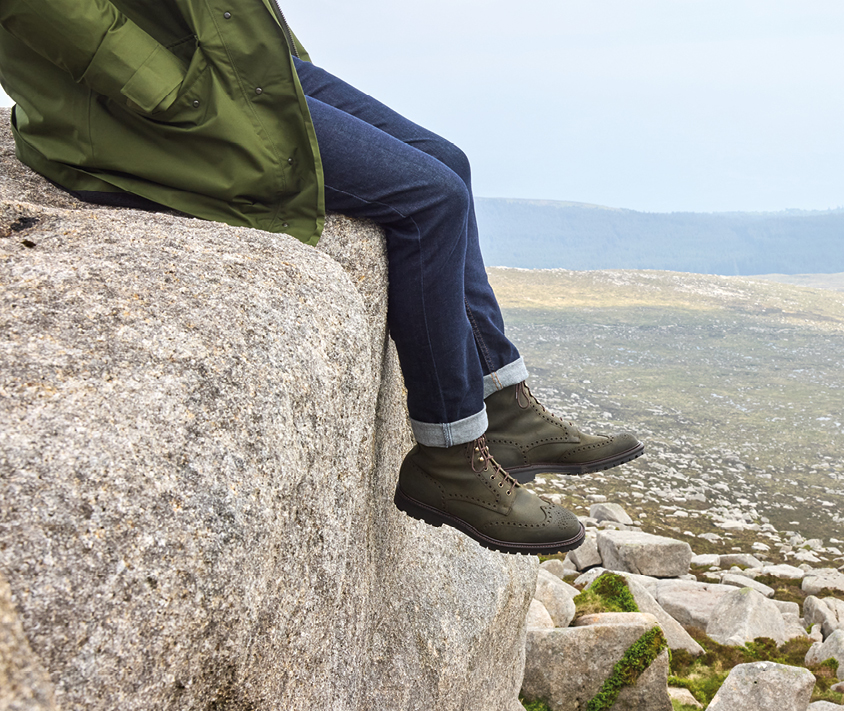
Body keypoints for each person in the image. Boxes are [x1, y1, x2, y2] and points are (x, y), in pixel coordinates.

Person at [0, 0, 643, 555]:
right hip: (141, 103)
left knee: (450, 163)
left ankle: (503, 404)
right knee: (430, 201)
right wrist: (171, 93)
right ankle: (449, 456)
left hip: (220, 57)